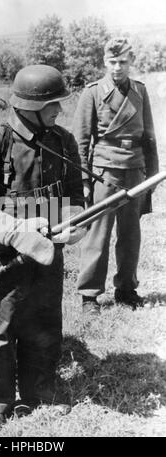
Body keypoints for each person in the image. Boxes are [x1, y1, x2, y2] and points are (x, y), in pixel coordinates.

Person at [0, 64, 86, 431]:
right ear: (29, 105)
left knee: (45, 321)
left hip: (49, 250)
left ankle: (40, 392)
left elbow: (76, 193)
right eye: (53, 104)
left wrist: (74, 221)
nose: (59, 110)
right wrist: (14, 229)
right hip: (5, 254)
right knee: (2, 326)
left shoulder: (62, 140)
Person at [73, 37, 159, 315]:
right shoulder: (93, 92)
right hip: (104, 171)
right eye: (112, 62)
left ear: (130, 61)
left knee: (131, 234)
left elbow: (149, 137)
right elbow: (81, 142)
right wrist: (84, 181)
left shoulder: (140, 91)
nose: (117, 68)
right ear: (104, 62)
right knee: (98, 233)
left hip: (135, 168)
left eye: (123, 62)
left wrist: (152, 176)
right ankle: (89, 295)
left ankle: (126, 289)